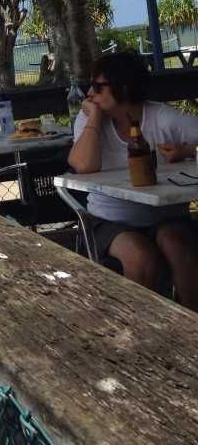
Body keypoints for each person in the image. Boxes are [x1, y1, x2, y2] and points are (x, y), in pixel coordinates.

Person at [68, 51, 198, 309]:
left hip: (165, 215)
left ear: (123, 87)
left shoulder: (160, 117)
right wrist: (94, 117)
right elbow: (84, 165)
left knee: (178, 246)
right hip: (109, 218)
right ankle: (137, 335)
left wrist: (187, 151)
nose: (89, 93)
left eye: (98, 86)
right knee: (141, 257)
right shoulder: (88, 119)